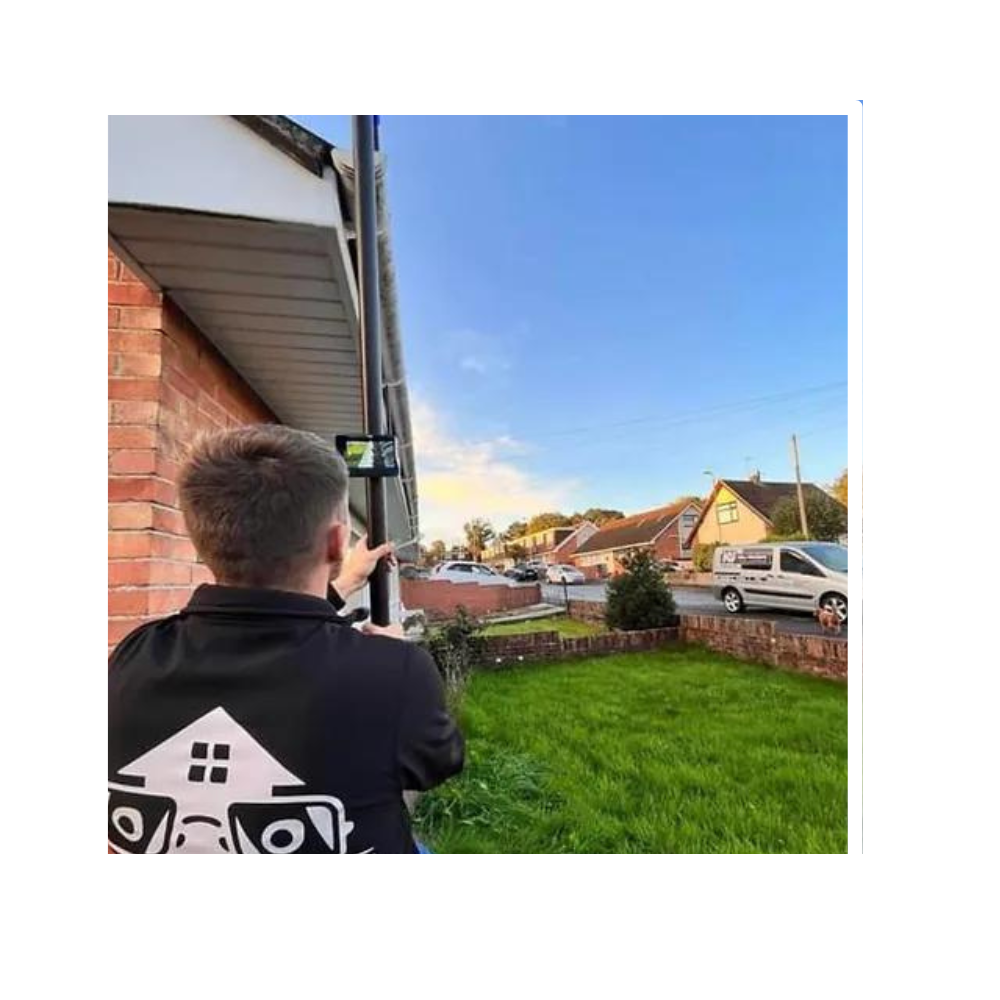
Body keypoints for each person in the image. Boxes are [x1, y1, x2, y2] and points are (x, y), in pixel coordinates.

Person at [108, 425, 464, 855]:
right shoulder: (395, 672)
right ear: (336, 541)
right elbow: (438, 763)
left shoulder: (131, 657)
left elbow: (272, 629)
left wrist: (345, 583)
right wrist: (395, 657)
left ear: (202, 541)